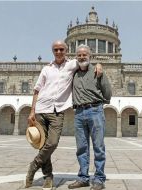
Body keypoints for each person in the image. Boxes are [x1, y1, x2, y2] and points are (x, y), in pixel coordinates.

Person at [25, 40, 103, 190]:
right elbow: (36, 90)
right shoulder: (46, 69)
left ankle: (34, 165)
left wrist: (99, 64)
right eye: (56, 50)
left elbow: (85, 59)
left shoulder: (72, 64)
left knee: (52, 143)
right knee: (42, 144)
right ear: (53, 51)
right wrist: (32, 110)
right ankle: (48, 177)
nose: (59, 52)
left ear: (67, 50)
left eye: (61, 49)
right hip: (41, 108)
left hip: (58, 111)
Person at [68, 44, 112, 190]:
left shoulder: (97, 71)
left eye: (84, 54)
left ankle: (99, 179)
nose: (81, 57)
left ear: (90, 56)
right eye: (79, 55)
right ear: (76, 57)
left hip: (95, 110)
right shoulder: (72, 72)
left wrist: (98, 104)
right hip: (79, 112)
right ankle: (83, 178)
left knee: (98, 146)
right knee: (81, 147)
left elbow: (107, 92)